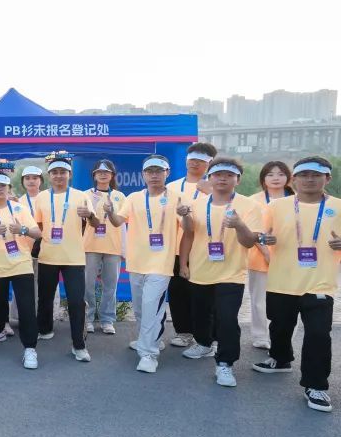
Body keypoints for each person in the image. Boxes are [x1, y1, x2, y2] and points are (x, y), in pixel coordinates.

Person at [254, 157, 341, 412]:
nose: (309, 179)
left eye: (316, 175)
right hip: (281, 280)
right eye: (304, 175)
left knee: (318, 334)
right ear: (294, 179)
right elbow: (258, 234)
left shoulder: (338, 206)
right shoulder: (277, 206)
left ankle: (316, 386)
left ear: (327, 178)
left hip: (320, 283)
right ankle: (280, 359)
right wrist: (264, 238)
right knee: (280, 325)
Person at [177, 157, 261, 387]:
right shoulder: (197, 203)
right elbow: (188, 233)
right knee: (201, 314)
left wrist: (239, 225)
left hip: (232, 273)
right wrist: (183, 264)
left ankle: (225, 363)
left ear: (237, 179)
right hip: (200, 269)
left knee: (227, 318)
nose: (223, 178)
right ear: (210, 178)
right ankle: (204, 344)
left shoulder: (248, 205)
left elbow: (249, 242)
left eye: (229, 175)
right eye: (218, 174)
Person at [103, 155, 179, 373]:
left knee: (151, 307)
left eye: (159, 171)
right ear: (144, 175)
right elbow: (118, 221)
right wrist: (110, 212)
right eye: (150, 171)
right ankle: (149, 339)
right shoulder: (134, 198)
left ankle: (148, 354)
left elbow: (189, 227)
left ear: (167, 173)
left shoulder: (177, 198)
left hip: (161, 263)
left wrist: (186, 216)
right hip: (136, 262)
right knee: (140, 309)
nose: (154, 175)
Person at [0, 172, 42, 369]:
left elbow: (37, 233)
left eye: (2, 185)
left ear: (9, 188)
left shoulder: (20, 208)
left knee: (26, 307)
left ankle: (30, 348)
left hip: (21, 263)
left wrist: (22, 230)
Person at [34, 152, 97, 363]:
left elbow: (96, 223)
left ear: (69, 174)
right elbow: (38, 225)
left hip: (74, 258)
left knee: (77, 301)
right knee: (45, 297)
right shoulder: (42, 197)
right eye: (55, 172)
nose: (59, 176)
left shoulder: (81, 196)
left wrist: (90, 215)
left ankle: (79, 345)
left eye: (63, 172)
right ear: (49, 175)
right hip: (48, 256)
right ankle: (45, 329)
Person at [166, 142, 216, 348]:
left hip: (204, 249)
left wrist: (209, 191)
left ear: (209, 164)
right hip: (175, 248)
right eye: (192, 159)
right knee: (178, 292)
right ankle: (184, 332)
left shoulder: (215, 187)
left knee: (204, 295)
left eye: (201, 161)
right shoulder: (172, 186)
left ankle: (207, 336)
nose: (195, 163)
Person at [246, 161, 293, 350]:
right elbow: (251, 229)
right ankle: (260, 336)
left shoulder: (297, 199)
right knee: (259, 299)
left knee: (288, 300)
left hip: (289, 258)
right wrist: (266, 252)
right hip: (259, 257)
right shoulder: (253, 200)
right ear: (263, 179)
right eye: (270, 174)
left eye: (281, 174)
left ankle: (284, 337)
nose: (276, 178)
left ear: (288, 178)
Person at [83, 159, 125, 335]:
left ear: (112, 175)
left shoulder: (120, 196)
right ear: (94, 175)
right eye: (99, 172)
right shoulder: (85, 195)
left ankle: (107, 320)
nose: (102, 174)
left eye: (106, 172)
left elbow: (121, 224)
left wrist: (123, 249)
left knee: (110, 286)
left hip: (113, 247)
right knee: (88, 285)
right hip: (90, 246)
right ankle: (88, 319)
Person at [10, 165, 47, 327]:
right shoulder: (18, 202)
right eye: (27, 178)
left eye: (35, 178)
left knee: (42, 284)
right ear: (23, 181)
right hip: (23, 248)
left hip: (46, 248)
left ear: (41, 181)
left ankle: (41, 317)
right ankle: (18, 317)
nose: (31, 181)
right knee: (22, 283)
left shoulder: (47, 198)